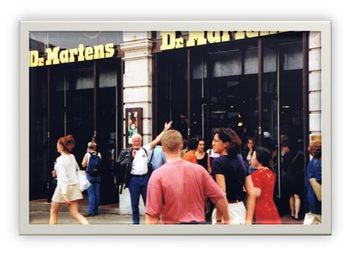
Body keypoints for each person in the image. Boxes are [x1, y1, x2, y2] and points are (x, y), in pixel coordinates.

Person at [145, 130, 230, 224]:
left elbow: (152, 216)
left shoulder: (157, 176)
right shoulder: (199, 170)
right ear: (181, 146)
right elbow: (219, 197)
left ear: (163, 148)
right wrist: (226, 220)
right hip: (197, 228)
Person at [116, 121, 172, 224]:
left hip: (145, 179)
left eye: (138, 141)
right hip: (133, 180)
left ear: (141, 142)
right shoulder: (127, 152)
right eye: (134, 141)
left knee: (149, 204)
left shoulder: (145, 149)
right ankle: (136, 225)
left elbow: (156, 140)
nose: (136, 143)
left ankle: (150, 223)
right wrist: (130, 158)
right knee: (134, 205)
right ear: (131, 142)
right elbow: (119, 165)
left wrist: (165, 130)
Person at [49, 134, 89, 224]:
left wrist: (63, 194)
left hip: (62, 188)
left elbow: (63, 179)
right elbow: (76, 170)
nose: (56, 146)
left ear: (60, 146)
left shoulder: (59, 160)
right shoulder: (72, 157)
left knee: (53, 211)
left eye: (57, 144)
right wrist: (57, 172)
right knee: (75, 213)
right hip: (74, 186)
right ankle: (88, 228)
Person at [211, 128, 247, 224]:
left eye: (216, 141)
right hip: (240, 208)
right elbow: (250, 191)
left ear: (226, 144)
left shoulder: (218, 162)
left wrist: (220, 218)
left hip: (226, 210)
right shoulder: (240, 162)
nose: (212, 143)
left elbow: (221, 193)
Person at [245, 146, 281, 224]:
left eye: (253, 156)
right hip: (271, 208)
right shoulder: (271, 172)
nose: (251, 158)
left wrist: (247, 184)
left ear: (259, 159)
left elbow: (256, 193)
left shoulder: (257, 174)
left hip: (260, 210)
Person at [281, 136, 304, 220]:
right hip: (297, 177)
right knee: (297, 196)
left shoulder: (286, 156)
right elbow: (302, 167)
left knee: (290, 196)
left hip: (288, 177)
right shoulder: (300, 155)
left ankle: (292, 213)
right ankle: (297, 215)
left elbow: (284, 167)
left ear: (287, 147)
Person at [81, 141, 102, 217]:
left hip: (89, 175)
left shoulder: (87, 155)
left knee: (91, 194)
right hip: (98, 176)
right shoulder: (99, 155)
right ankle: (96, 210)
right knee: (97, 193)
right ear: (95, 147)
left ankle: (91, 211)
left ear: (88, 147)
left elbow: (83, 164)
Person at [304, 140, 322, 225]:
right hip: (318, 197)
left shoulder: (312, 162)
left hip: (312, 196)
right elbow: (320, 180)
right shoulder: (319, 163)